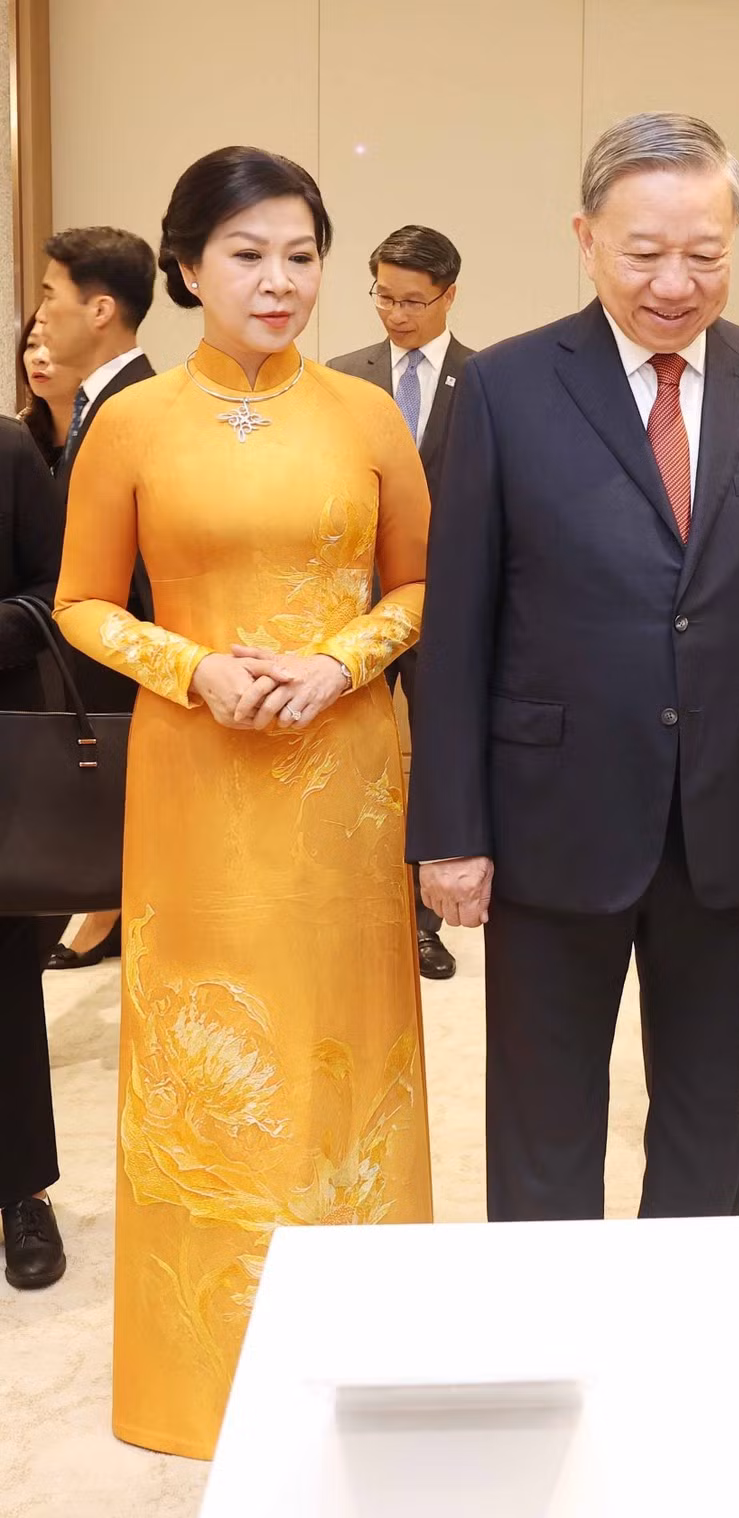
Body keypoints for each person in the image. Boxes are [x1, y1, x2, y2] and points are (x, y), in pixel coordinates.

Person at [52, 146, 435, 1459]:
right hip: (197, 780)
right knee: (211, 1077)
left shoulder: (370, 413)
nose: (279, 281)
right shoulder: (136, 420)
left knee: (346, 1057)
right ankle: (206, 1388)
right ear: (185, 267)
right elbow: (84, 603)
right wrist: (193, 663)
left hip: (347, 785)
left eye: (299, 254)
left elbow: (422, 588)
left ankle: (363, 1370)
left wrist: (340, 659)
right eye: (246, 254)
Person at [410, 113, 739, 1223]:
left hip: (727, 820)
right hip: (549, 814)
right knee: (544, 1119)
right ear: (585, 238)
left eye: (704, 253)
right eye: (644, 251)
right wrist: (450, 831)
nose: (674, 281)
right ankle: (548, 1348)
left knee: (708, 1115)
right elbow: (454, 626)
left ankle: (680, 1340)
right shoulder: (506, 387)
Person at [330, 223, 477, 982]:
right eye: (384, 296)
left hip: (450, 607)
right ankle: (346, 905)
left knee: (440, 759)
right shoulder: (341, 376)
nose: (396, 313)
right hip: (359, 610)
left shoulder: (485, 380)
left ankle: (422, 920)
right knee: (348, 758)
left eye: (414, 300)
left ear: (449, 294)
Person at [34, 226, 158, 973]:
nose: (40, 316)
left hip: (129, 684)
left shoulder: (135, 407)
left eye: (51, 296)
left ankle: (109, 909)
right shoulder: (90, 405)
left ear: (102, 308)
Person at [0, 410, 66, 1292]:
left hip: (4, 751)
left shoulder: (8, 450)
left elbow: (65, 591)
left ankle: (22, 1190)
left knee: (6, 978)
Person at [19, 321, 73, 469]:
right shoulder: (21, 431)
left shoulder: (107, 427)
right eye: (32, 345)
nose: (38, 358)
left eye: (53, 344)